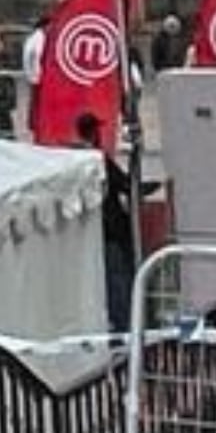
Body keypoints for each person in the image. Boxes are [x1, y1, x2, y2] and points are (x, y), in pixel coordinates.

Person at [75, 113, 137, 334]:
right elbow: (126, 186)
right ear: (93, 132)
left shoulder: (70, 159)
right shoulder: (97, 160)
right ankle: (124, 325)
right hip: (111, 231)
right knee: (118, 280)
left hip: (88, 233)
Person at [18, 17, 48, 139]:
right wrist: (34, 75)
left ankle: (37, 130)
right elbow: (31, 56)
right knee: (38, 107)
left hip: (37, 78)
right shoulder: (39, 37)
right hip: (40, 78)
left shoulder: (34, 37)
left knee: (37, 107)